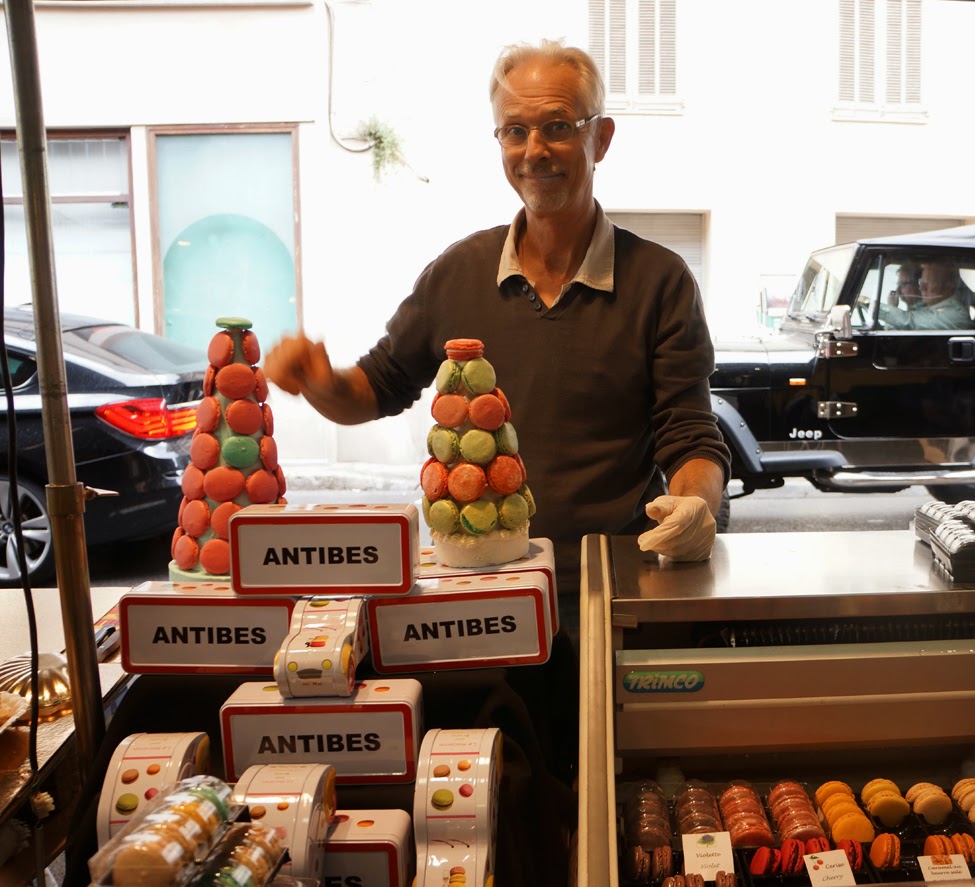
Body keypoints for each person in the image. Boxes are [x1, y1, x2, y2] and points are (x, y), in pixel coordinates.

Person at [263, 39, 730, 600]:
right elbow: (378, 387)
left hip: (611, 590)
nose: (534, 150)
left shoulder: (660, 280)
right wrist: (321, 382)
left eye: (557, 126)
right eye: (514, 131)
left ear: (601, 138)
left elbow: (689, 434)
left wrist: (695, 506)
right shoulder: (458, 273)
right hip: (478, 596)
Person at [880, 259, 972, 330]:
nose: (921, 288)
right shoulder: (931, 308)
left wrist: (876, 307)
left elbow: (910, 321)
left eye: (927, 284)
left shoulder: (954, 315)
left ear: (948, 286)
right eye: (921, 283)